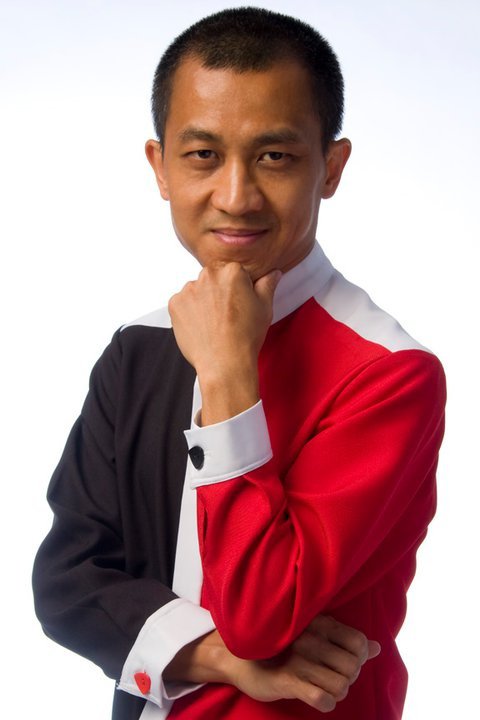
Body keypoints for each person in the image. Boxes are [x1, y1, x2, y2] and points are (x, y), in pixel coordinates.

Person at [32, 7, 446, 720]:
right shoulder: (138, 346)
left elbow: (263, 616)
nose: (235, 196)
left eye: (274, 156)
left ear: (331, 168)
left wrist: (227, 376)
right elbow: (67, 584)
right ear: (160, 168)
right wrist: (217, 656)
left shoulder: (389, 374)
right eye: (202, 155)